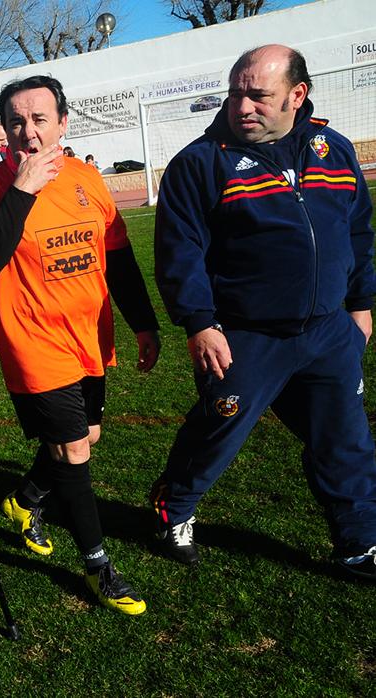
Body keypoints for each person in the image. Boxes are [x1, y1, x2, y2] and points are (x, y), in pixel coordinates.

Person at [151, 44, 376, 579]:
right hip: (245, 336)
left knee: (344, 440)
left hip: (329, 333)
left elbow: (358, 232)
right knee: (216, 433)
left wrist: (361, 306)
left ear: (297, 95)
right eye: (235, 93)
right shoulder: (200, 164)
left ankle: (359, 542)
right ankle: (172, 508)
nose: (243, 106)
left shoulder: (334, 151)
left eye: (258, 95)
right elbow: (179, 253)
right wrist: (200, 323)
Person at [0, 75, 161, 615]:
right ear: (3, 130)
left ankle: (23, 501)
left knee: (85, 439)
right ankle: (99, 567)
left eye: (40, 119)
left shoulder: (88, 178)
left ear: (63, 124)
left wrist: (144, 323)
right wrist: (22, 187)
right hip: (33, 342)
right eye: (17, 122)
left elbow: (117, 257)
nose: (28, 132)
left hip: (90, 338)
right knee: (73, 451)